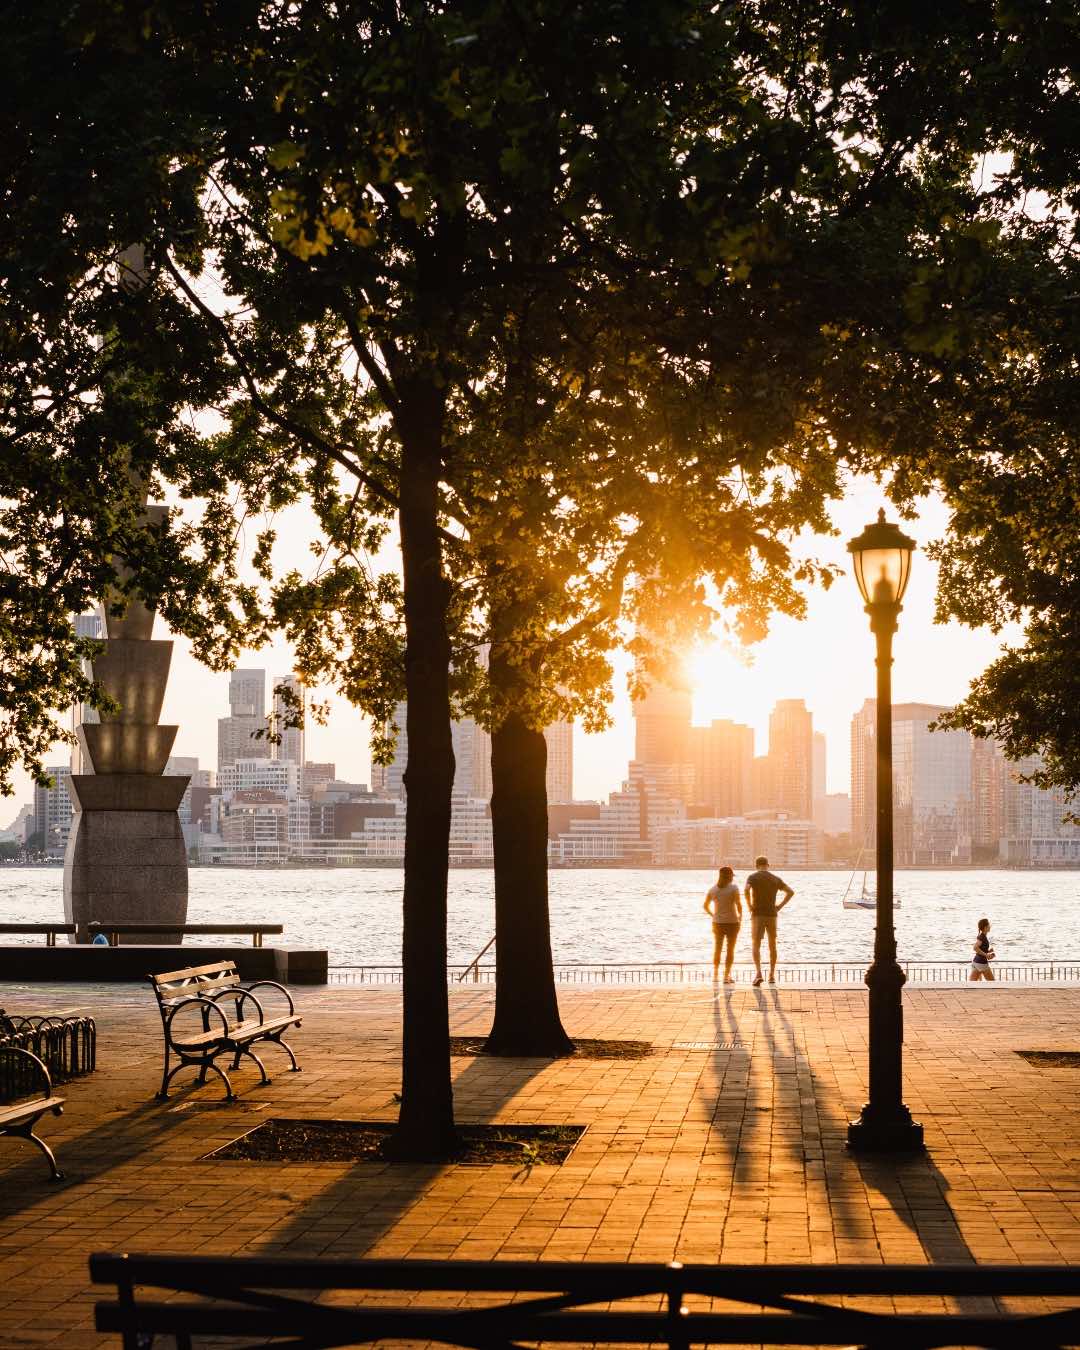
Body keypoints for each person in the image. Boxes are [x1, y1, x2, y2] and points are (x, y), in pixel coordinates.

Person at [744, 855, 795, 986]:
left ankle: (759, 973)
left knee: (756, 944)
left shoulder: (752, 877)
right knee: (772, 944)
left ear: (756, 866)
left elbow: (746, 890)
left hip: (757, 914)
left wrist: (749, 905)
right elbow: (790, 892)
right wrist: (779, 906)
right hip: (772, 914)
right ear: (768, 865)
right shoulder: (775, 879)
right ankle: (772, 975)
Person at [704, 865, 742, 983]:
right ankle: (726, 976)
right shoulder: (734, 888)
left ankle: (715, 975)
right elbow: (738, 905)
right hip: (732, 923)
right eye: (732, 876)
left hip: (717, 923)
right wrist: (740, 917)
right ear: (730, 876)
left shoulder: (712, 889)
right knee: (730, 949)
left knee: (717, 948)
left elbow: (705, 906)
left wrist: (713, 915)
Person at [970, 917, 996, 981]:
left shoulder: (983, 936)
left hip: (976, 962)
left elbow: (980, 949)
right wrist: (986, 955)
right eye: (989, 925)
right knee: (993, 984)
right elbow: (975, 947)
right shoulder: (982, 937)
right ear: (985, 927)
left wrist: (988, 951)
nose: (990, 927)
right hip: (982, 963)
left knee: (971, 985)